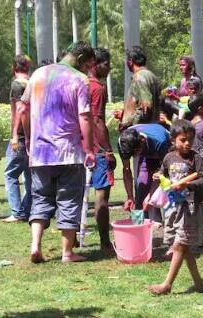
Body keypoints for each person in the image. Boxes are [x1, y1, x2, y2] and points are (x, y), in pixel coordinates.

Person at [20, 42, 96, 264]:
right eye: (88, 63)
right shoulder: (79, 80)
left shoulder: (38, 74)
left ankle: (35, 246)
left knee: (40, 199)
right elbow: (84, 117)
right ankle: (67, 252)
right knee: (69, 199)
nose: (88, 68)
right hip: (68, 153)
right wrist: (89, 149)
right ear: (80, 57)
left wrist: (28, 138)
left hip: (40, 153)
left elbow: (23, 109)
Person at [147, 120, 203, 295]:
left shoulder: (196, 158)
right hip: (174, 207)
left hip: (190, 207)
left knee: (180, 244)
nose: (187, 143)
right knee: (185, 246)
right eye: (183, 139)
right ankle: (198, 284)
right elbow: (164, 173)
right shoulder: (169, 157)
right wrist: (158, 176)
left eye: (190, 139)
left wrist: (187, 186)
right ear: (173, 140)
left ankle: (166, 284)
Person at [88, 47, 115, 253]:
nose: (110, 67)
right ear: (96, 64)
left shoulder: (80, 83)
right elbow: (97, 120)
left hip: (79, 147)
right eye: (107, 63)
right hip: (97, 150)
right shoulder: (97, 88)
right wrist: (108, 150)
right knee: (102, 197)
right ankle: (105, 242)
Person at [118, 123, 170, 223]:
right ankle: (139, 223)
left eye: (135, 154)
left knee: (162, 189)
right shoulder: (122, 142)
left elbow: (163, 172)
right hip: (146, 151)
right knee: (141, 188)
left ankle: (160, 221)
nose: (133, 157)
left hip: (164, 150)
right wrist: (129, 196)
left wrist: (150, 196)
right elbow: (126, 169)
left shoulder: (160, 141)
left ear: (142, 140)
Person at [3, 54, 32, 223]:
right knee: (29, 175)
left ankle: (17, 212)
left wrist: (15, 135)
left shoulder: (16, 85)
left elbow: (18, 111)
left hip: (21, 136)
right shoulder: (34, 82)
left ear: (14, 68)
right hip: (33, 136)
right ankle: (27, 209)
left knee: (10, 174)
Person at [121, 46, 161, 130]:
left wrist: (128, 123)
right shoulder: (153, 76)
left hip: (140, 130)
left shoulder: (139, 77)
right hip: (153, 127)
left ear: (130, 61)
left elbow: (146, 107)